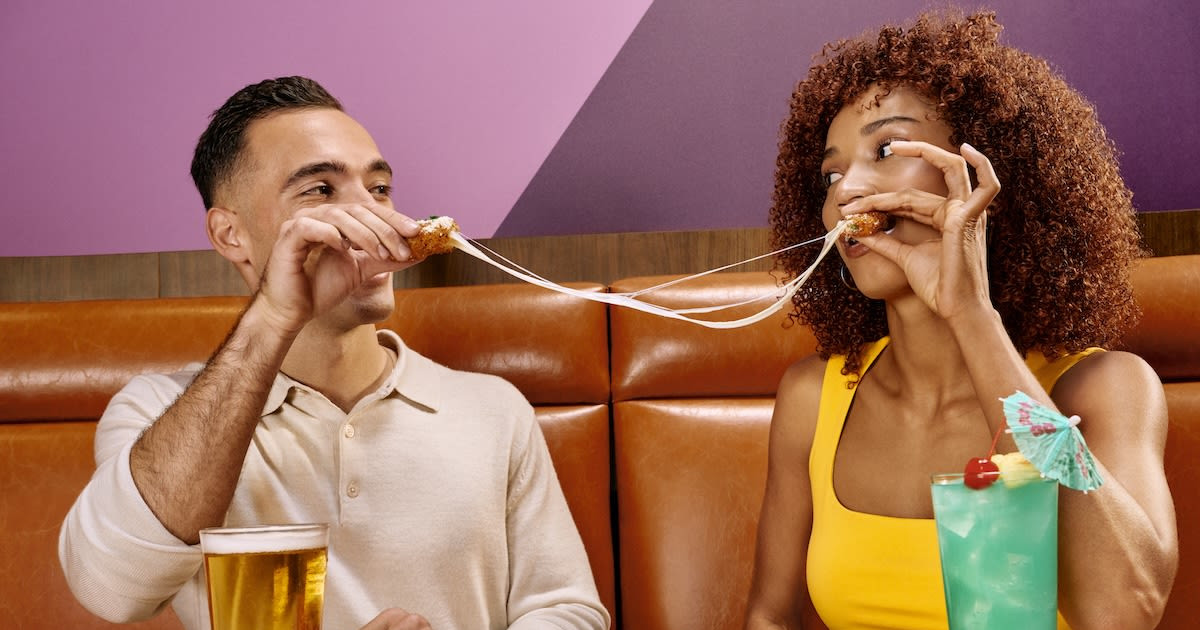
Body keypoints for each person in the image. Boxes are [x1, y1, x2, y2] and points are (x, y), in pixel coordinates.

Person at [58, 76, 609, 630]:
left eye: (379, 188)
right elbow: (111, 590)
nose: (370, 215)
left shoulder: (494, 409)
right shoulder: (157, 410)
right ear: (230, 235)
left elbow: (567, 611)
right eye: (320, 190)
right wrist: (275, 316)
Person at [744, 11, 1177, 630]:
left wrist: (970, 313)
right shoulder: (813, 399)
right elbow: (769, 617)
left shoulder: (1106, 388)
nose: (846, 191)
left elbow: (1124, 611)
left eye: (885, 150)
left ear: (985, 177)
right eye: (832, 174)